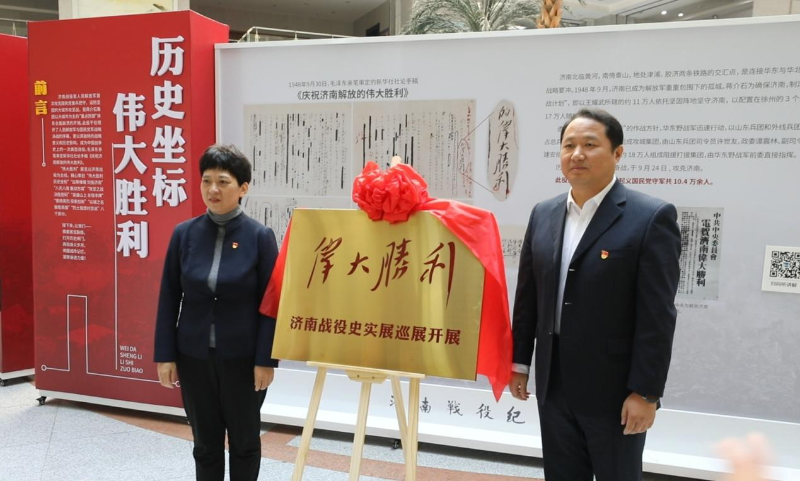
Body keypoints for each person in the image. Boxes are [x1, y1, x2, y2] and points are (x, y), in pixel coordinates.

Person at [509, 108, 681, 480]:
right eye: (568, 145)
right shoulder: (543, 214)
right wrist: (519, 362)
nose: (577, 154)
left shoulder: (649, 217)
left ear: (617, 153)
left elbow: (657, 315)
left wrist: (646, 393)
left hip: (614, 390)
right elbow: (528, 297)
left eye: (590, 145)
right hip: (554, 384)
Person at [153, 144, 279, 481]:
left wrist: (266, 360)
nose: (213, 189)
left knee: (245, 442)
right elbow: (169, 296)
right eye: (206, 180)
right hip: (193, 357)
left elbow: (271, 305)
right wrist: (165, 355)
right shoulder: (184, 234)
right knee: (205, 444)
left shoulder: (260, 237)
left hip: (243, 359)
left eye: (223, 182)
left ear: (243, 188)